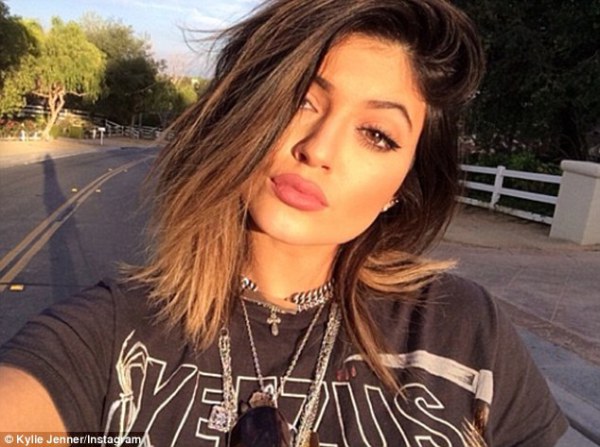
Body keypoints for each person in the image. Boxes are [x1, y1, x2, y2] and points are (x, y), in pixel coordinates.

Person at [0, 0, 568, 446]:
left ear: (402, 186)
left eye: (376, 134)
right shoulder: (108, 334)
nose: (318, 149)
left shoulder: (463, 329)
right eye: (302, 101)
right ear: (246, 111)